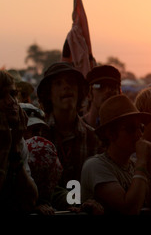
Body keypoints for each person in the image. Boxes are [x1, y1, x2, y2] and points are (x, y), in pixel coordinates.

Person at [81, 94, 151, 214]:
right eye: (131, 129)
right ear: (110, 134)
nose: (139, 134)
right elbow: (129, 209)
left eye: (141, 128)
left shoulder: (136, 167)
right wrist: (142, 161)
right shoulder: (95, 166)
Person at [36, 62, 101, 210]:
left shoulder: (95, 138)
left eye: (71, 83)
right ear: (48, 94)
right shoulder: (37, 135)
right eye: (58, 84)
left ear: (80, 92)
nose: (66, 87)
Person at [0, 70, 38, 214]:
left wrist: (14, 148)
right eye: (1, 96)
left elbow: (30, 201)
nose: (11, 102)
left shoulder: (16, 140)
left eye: (13, 94)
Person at [82, 64, 122, 129]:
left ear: (120, 93)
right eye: (100, 86)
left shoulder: (126, 130)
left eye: (113, 86)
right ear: (89, 94)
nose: (107, 91)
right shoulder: (74, 129)